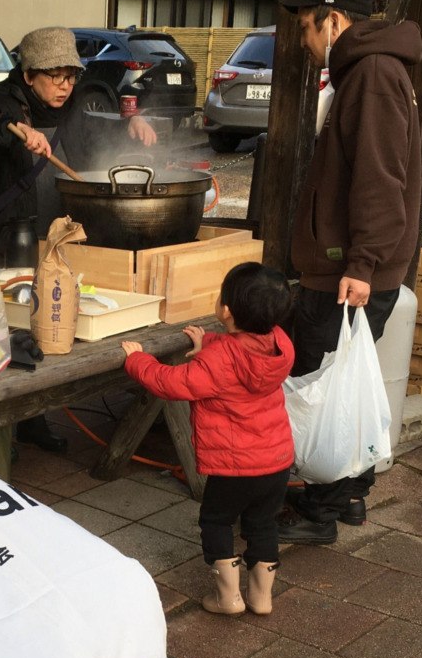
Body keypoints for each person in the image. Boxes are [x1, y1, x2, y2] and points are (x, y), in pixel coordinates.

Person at [0, 26, 157, 452]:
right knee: (0, 329)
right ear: (28, 75)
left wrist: (131, 126)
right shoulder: (0, 101)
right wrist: (10, 127)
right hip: (4, 235)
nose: (65, 85)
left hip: (51, 234)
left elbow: (93, 136)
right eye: (55, 76)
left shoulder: (69, 107)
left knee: (43, 326)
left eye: (71, 76)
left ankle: (32, 420)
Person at [276, 0, 422, 545]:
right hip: (351, 263)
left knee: (320, 381)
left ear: (333, 19)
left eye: (308, 27)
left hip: (349, 268)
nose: (305, 41)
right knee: (344, 379)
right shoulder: (368, 70)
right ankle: (349, 497)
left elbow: (379, 179)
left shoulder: (374, 74)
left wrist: (361, 264)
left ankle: (321, 512)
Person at [121, 263, 294, 616]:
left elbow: (171, 383)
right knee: (262, 523)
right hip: (276, 462)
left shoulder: (218, 360)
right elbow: (239, 351)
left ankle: (227, 598)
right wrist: (209, 342)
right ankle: (262, 599)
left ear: (225, 309)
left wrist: (137, 360)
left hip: (234, 468)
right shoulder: (280, 344)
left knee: (216, 521)